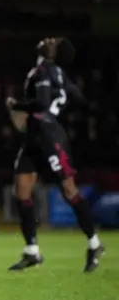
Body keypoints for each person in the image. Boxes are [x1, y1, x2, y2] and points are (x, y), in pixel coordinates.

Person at [6, 37, 104, 272]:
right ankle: (32, 251)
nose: (48, 40)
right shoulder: (59, 74)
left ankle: (94, 244)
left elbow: (40, 103)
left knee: (69, 191)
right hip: (35, 136)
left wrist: (16, 105)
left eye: (53, 42)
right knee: (21, 190)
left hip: (49, 136)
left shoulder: (43, 71)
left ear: (54, 53)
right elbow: (80, 100)